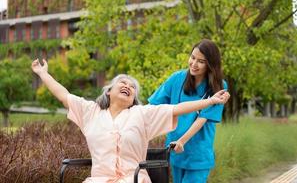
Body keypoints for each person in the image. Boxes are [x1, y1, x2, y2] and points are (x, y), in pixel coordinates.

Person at [31, 58, 230, 183]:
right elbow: (63, 95)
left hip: (133, 180)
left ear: (134, 98)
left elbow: (177, 108)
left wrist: (210, 101)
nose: (127, 86)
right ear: (108, 91)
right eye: (122, 83)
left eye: (132, 87)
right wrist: (42, 73)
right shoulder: (89, 112)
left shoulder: (142, 114)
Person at [148, 39, 227, 183]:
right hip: (175, 150)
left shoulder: (218, 86)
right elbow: (153, 106)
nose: (194, 64)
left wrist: (182, 141)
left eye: (201, 61)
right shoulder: (177, 79)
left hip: (198, 153)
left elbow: (202, 119)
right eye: (193, 57)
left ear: (210, 65)